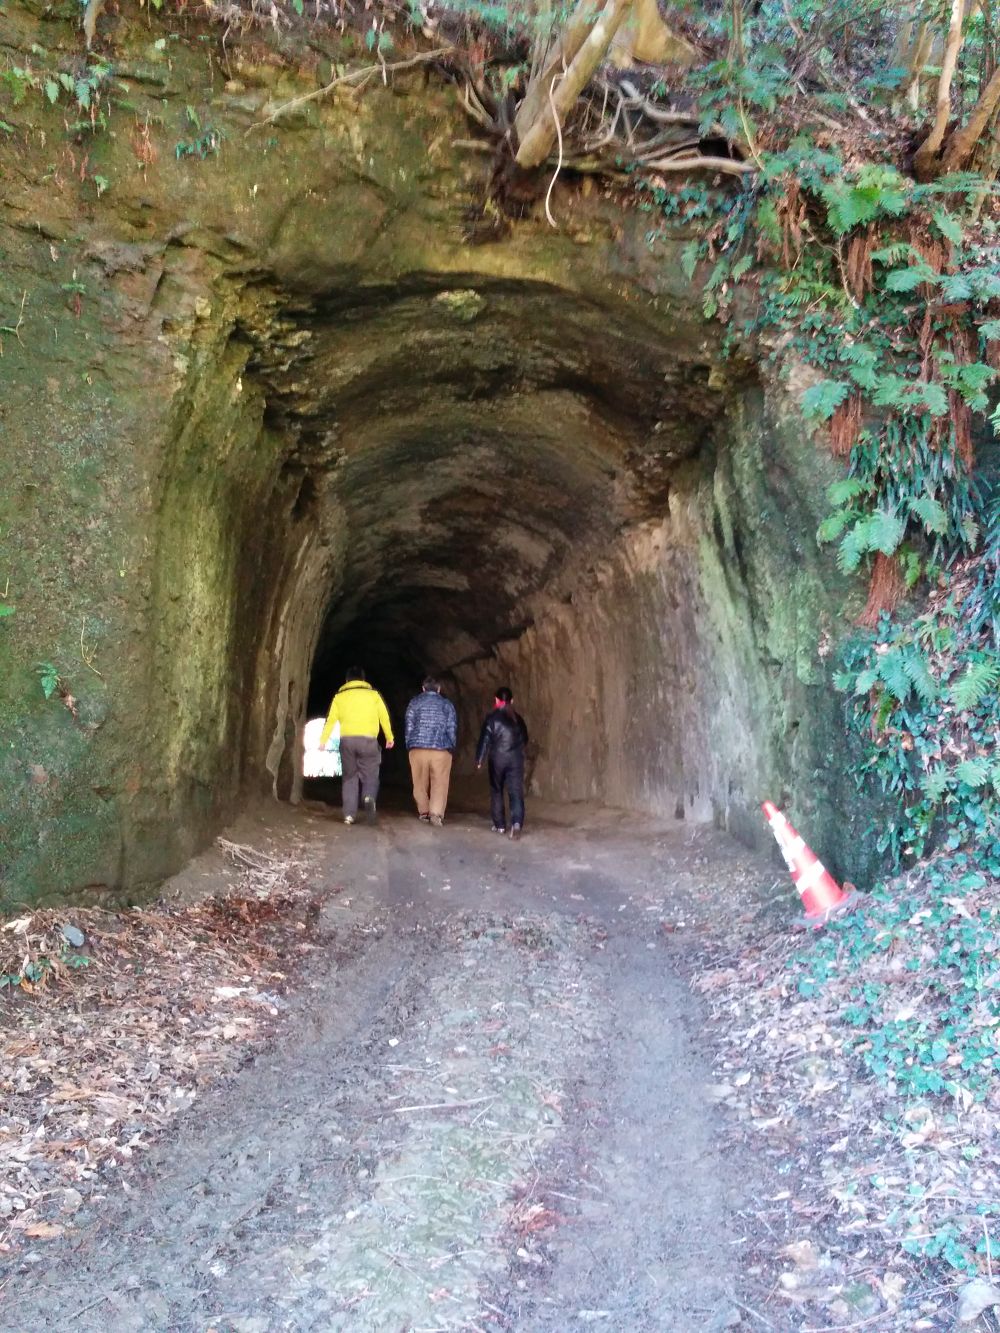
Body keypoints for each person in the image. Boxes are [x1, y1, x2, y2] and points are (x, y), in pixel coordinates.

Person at [319, 667, 394, 826]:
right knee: (371, 773)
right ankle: (368, 797)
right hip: (368, 740)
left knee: (349, 777)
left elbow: (331, 720)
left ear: (347, 681)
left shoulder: (340, 697)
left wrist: (323, 740)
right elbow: (384, 716)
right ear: (363, 680)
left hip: (347, 741)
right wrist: (389, 737)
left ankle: (349, 815)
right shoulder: (374, 695)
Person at [404, 676, 458, 827]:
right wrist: (451, 745)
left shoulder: (414, 703)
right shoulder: (447, 705)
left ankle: (424, 811)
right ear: (439, 689)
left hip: (418, 748)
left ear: (423, 688)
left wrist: (410, 744)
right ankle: (436, 813)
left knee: (419, 782)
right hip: (441, 749)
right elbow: (451, 727)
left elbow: (408, 726)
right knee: (439, 782)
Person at [475, 686, 529, 840]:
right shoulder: (518, 719)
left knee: (497, 791)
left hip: (497, 759)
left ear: (496, 700)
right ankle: (517, 823)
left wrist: (479, 759)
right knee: (516, 792)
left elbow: (485, 740)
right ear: (512, 701)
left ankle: (499, 825)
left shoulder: (491, 718)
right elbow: (525, 739)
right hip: (516, 760)